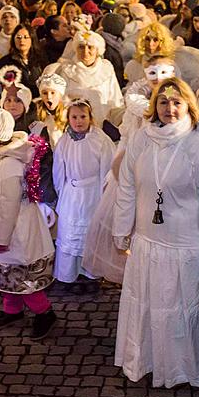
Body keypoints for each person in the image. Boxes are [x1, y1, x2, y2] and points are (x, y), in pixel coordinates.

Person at [113, 78, 199, 387]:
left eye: (177, 102)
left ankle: (184, 367)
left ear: (188, 105)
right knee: (150, 307)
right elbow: (126, 185)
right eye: (163, 102)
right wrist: (122, 226)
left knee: (182, 312)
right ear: (155, 106)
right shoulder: (142, 138)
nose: (169, 108)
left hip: (187, 246)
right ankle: (148, 360)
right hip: (148, 243)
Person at [0, 108, 58, 340]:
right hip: (7, 222)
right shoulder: (1, 155)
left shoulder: (8, 165)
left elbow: (9, 206)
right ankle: (12, 309)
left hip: (16, 228)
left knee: (21, 272)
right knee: (7, 270)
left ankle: (44, 312)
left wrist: (2, 238)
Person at [52, 99, 114, 284]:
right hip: (71, 193)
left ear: (90, 117)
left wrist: (104, 194)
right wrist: (61, 192)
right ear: (68, 119)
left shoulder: (100, 139)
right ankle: (69, 274)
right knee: (70, 232)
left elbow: (108, 167)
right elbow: (58, 170)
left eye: (83, 117)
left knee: (89, 232)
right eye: (74, 117)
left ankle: (90, 275)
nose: (79, 121)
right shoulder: (64, 141)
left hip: (92, 193)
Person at [45, 27, 123, 129]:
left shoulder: (106, 69)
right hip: (74, 127)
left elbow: (115, 100)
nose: (86, 51)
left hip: (103, 126)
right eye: (81, 47)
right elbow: (60, 103)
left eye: (90, 47)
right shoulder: (66, 70)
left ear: (97, 50)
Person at [0, 27, 47, 95]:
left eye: (26, 37)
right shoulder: (5, 62)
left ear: (32, 39)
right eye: (18, 37)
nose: (22, 40)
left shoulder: (41, 60)